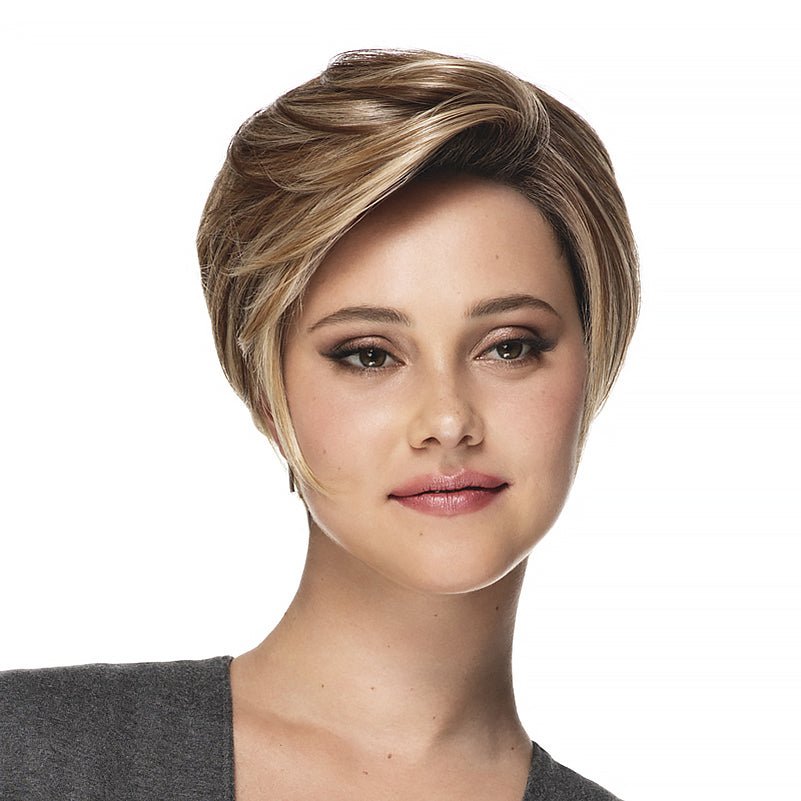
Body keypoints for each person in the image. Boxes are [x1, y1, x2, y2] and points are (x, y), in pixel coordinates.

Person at [0, 49, 638, 800]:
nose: (447, 420)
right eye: (369, 355)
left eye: (508, 346)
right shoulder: (28, 755)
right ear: (268, 396)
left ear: (592, 363)